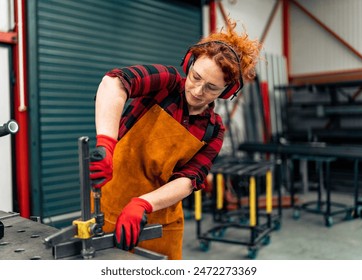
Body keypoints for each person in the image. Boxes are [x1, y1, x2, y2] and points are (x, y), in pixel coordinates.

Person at [89, 19, 261, 260]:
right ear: (188, 64)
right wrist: (106, 143)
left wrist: (143, 204)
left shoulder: (214, 130)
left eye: (212, 88)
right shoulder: (165, 82)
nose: (198, 91)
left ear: (227, 91)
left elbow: (189, 181)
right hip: (108, 209)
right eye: (196, 77)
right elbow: (115, 82)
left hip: (162, 223)